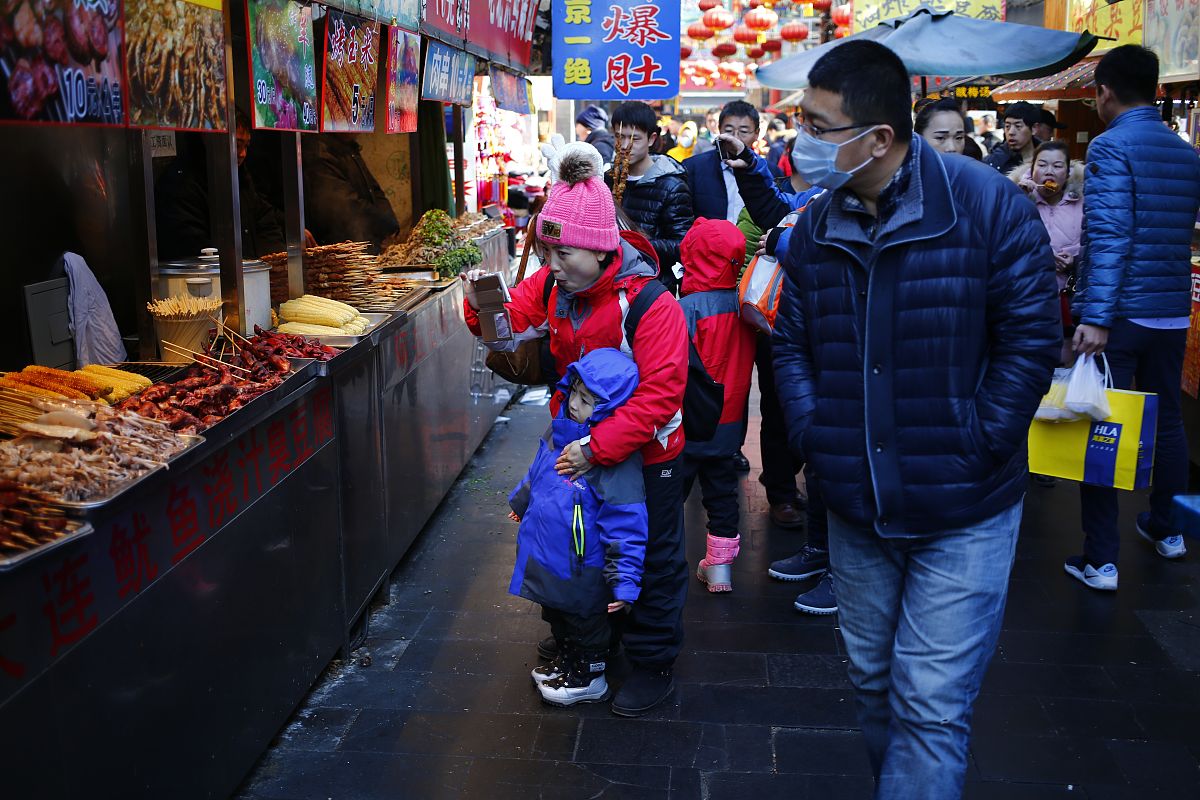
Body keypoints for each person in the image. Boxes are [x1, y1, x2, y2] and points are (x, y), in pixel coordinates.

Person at [772, 40, 1059, 796]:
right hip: (857, 502)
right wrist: (816, 436)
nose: (800, 137)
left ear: (878, 138)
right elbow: (792, 344)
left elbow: (1031, 339)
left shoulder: (988, 205)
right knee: (873, 686)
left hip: (965, 503)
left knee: (930, 705)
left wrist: (981, 439)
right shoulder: (815, 227)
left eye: (815, 123)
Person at [462, 141, 689, 716]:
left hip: (648, 455)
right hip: (575, 446)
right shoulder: (550, 286)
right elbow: (512, 318)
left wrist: (600, 448)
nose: (552, 266)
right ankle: (593, 641)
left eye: (562, 254)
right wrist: (482, 309)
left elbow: (661, 395)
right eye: (546, 252)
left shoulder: (650, 304)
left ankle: (652, 658)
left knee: (650, 557)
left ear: (600, 246)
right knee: (585, 548)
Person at [1067, 45, 1200, 589]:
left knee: (1102, 422)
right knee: (1167, 418)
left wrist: (1096, 316)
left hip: (1120, 314)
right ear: (1159, 91)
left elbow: (1110, 236)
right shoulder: (1186, 153)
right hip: (1171, 310)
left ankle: (1101, 559)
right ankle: (1167, 529)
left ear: (1103, 92)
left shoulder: (1109, 148)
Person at [509, 348, 647, 707]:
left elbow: (627, 523)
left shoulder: (613, 460)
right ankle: (568, 662)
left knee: (586, 625)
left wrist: (624, 581)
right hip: (551, 557)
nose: (575, 404)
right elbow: (538, 470)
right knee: (558, 617)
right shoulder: (559, 432)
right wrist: (521, 502)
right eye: (574, 393)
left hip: (584, 568)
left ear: (609, 408)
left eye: (587, 401)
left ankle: (590, 676)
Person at [677, 218, 757, 593]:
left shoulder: (686, 307)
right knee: (722, 491)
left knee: (669, 493)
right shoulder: (744, 303)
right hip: (730, 418)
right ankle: (720, 567)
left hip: (689, 420)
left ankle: (659, 559)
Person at [155, 110, 286, 260]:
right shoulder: (181, 184)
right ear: (208, 137)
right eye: (237, 145)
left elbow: (264, 220)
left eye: (246, 146)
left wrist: (273, 265)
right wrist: (239, 268)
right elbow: (191, 246)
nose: (243, 153)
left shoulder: (239, 176)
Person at [609, 101, 694, 294]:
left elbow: (683, 245)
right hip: (610, 285)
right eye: (619, 137)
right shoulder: (608, 179)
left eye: (634, 139)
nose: (624, 146)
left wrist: (630, 243)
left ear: (651, 138)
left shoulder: (671, 186)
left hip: (652, 289)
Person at [1012, 141, 1084, 351]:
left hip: (1070, 296)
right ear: (1032, 169)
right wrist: (1019, 199)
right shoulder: (1017, 197)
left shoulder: (1084, 202)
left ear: (1068, 172)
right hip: (1029, 295)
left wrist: (1075, 260)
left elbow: (1094, 243)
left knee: (1066, 358)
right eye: (1042, 165)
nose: (1049, 172)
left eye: (1057, 166)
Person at [302, 134, 399, 252]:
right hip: (341, 251)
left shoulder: (349, 147)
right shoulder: (320, 151)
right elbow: (346, 204)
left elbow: (374, 190)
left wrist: (390, 222)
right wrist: (385, 224)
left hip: (367, 246)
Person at [684, 100, 761, 224]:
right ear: (719, 129)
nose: (735, 138)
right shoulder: (693, 167)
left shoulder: (769, 173)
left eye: (744, 132)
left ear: (756, 133)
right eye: (729, 130)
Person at [984, 101, 1041, 175]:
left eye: (1018, 126)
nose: (1011, 132)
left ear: (1034, 129)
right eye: (1007, 126)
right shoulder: (993, 161)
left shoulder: (1047, 157)